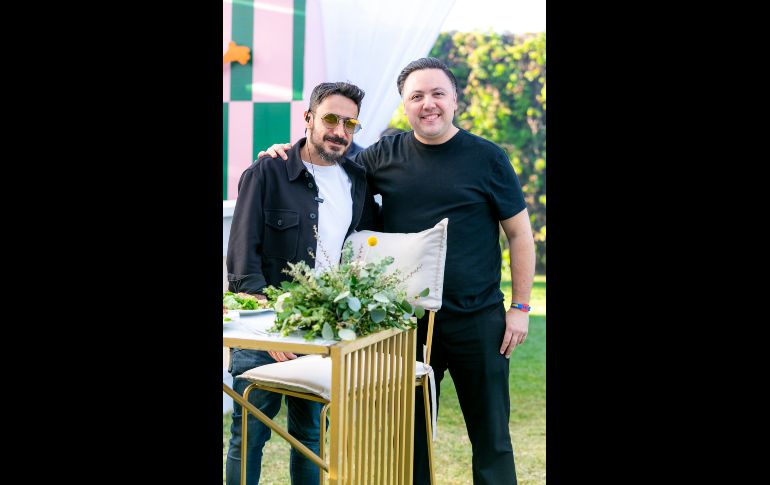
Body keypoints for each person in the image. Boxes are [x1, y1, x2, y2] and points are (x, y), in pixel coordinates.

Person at [259, 57, 536, 485]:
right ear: (404, 106)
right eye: (417, 96)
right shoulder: (378, 157)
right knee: (410, 442)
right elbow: (323, 160)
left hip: (478, 319)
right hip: (404, 324)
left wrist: (520, 307)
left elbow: (520, 234)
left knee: (492, 439)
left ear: (455, 100)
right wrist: (283, 154)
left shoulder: (488, 158)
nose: (429, 104)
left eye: (437, 93)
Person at [225, 81, 378, 485]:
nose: (339, 130)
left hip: (320, 332)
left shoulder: (358, 179)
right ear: (308, 118)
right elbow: (242, 261)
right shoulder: (267, 172)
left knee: (309, 436)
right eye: (330, 118)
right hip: (264, 332)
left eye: (350, 123)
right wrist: (268, 332)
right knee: (248, 438)